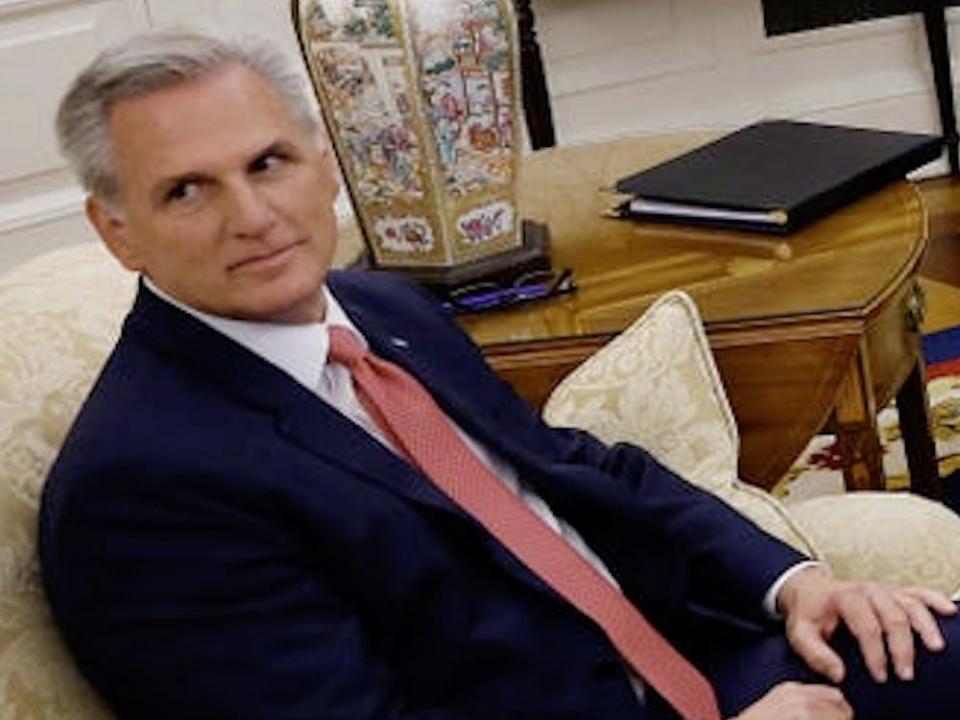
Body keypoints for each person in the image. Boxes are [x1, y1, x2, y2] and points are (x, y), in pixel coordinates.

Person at [39, 29, 960, 720]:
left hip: (714, 657)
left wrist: (795, 584)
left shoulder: (382, 310)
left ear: (322, 168)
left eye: (268, 163)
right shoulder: (140, 488)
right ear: (116, 230)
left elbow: (583, 472)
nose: (252, 216)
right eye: (187, 190)